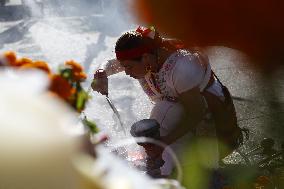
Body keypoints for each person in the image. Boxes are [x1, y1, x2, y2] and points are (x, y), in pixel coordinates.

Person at [91, 26, 245, 177]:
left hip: (210, 120)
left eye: (129, 67)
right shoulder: (148, 58)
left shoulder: (181, 68)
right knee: (159, 124)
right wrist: (101, 73)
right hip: (177, 111)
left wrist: (163, 143)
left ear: (145, 57)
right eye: (124, 67)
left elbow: (196, 113)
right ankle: (166, 161)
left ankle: (186, 166)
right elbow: (112, 64)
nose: (126, 72)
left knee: (163, 118)